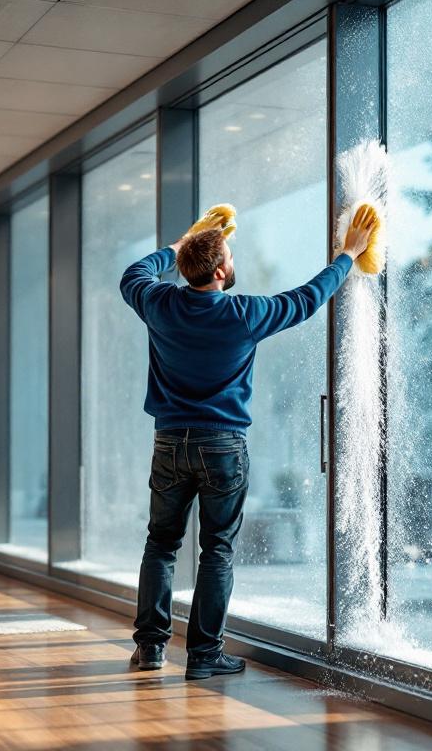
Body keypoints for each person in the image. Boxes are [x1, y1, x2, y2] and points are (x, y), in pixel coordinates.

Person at [119, 205, 378, 680]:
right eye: (230, 257)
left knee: (160, 544)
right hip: (223, 446)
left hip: (170, 442)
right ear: (220, 272)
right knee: (216, 549)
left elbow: (134, 273)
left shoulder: (158, 304)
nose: (233, 262)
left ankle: (151, 648)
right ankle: (203, 655)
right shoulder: (245, 314)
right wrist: (347, 255)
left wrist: (181, 245)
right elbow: (307, 298)